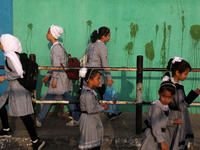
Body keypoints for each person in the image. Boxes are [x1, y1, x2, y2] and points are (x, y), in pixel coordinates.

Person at [0, 34, 45, 150]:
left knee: (24, 116)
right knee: (0, 104)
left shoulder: (10, 56)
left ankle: (36, 141)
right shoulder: (14, 55)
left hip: (18, 89)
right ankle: (6, 129)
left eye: (1, 43)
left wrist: (4, 77)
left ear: (6, 44)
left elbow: (18, 72)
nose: (0, 45)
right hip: (13, 88)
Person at [36, 25, 80, 127]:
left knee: (49, 99)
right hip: (63, 78)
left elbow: (56, 65)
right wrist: (48, 75)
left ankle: (39, 119)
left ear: (52, 34)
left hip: (59, 78)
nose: (46, 34)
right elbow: (56, 64)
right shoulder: (59, 46)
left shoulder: (55, 48)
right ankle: (77, 118)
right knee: (68, 99)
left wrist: (54, 79)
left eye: (48, 32)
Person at [86, 26, 122, 120]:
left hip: (88, 72)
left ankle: (81, 111)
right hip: (95, 73)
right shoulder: (102, 46)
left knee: (88, 92)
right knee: (102, 92)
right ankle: (110, 113)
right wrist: (109, 77)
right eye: (109, 35)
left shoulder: (91, 44)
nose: (110, 37)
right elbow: (105, 62)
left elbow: (89, 58)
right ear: (103, 36)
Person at [165, 57, 200, 149]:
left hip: (173, 117)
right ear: (177, 73)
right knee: (177, 142)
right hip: (177, 117)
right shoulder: (176, 88)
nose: (187, 76)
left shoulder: (169, 84)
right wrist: (192, 96)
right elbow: (181, 106)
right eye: (185, 73)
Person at [139, 74, 182, 150]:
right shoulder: (156, 107)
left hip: (161, 136)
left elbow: (162, 120)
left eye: (169, 97)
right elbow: (156, 125)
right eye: (164, 96)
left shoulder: (165, 106)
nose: (166, 99)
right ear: (159, 93)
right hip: (153, 137)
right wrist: (161, 142)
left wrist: (172, 121)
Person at [78, 68, 109, 150]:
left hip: (91, 120)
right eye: (98, 79)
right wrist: (103, 107)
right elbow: (90, 109)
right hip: (88, 122)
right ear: (90, 80)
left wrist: (99, 105)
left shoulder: (89, 91)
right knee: (92, 146)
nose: (99, 81)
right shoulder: (88, 94)